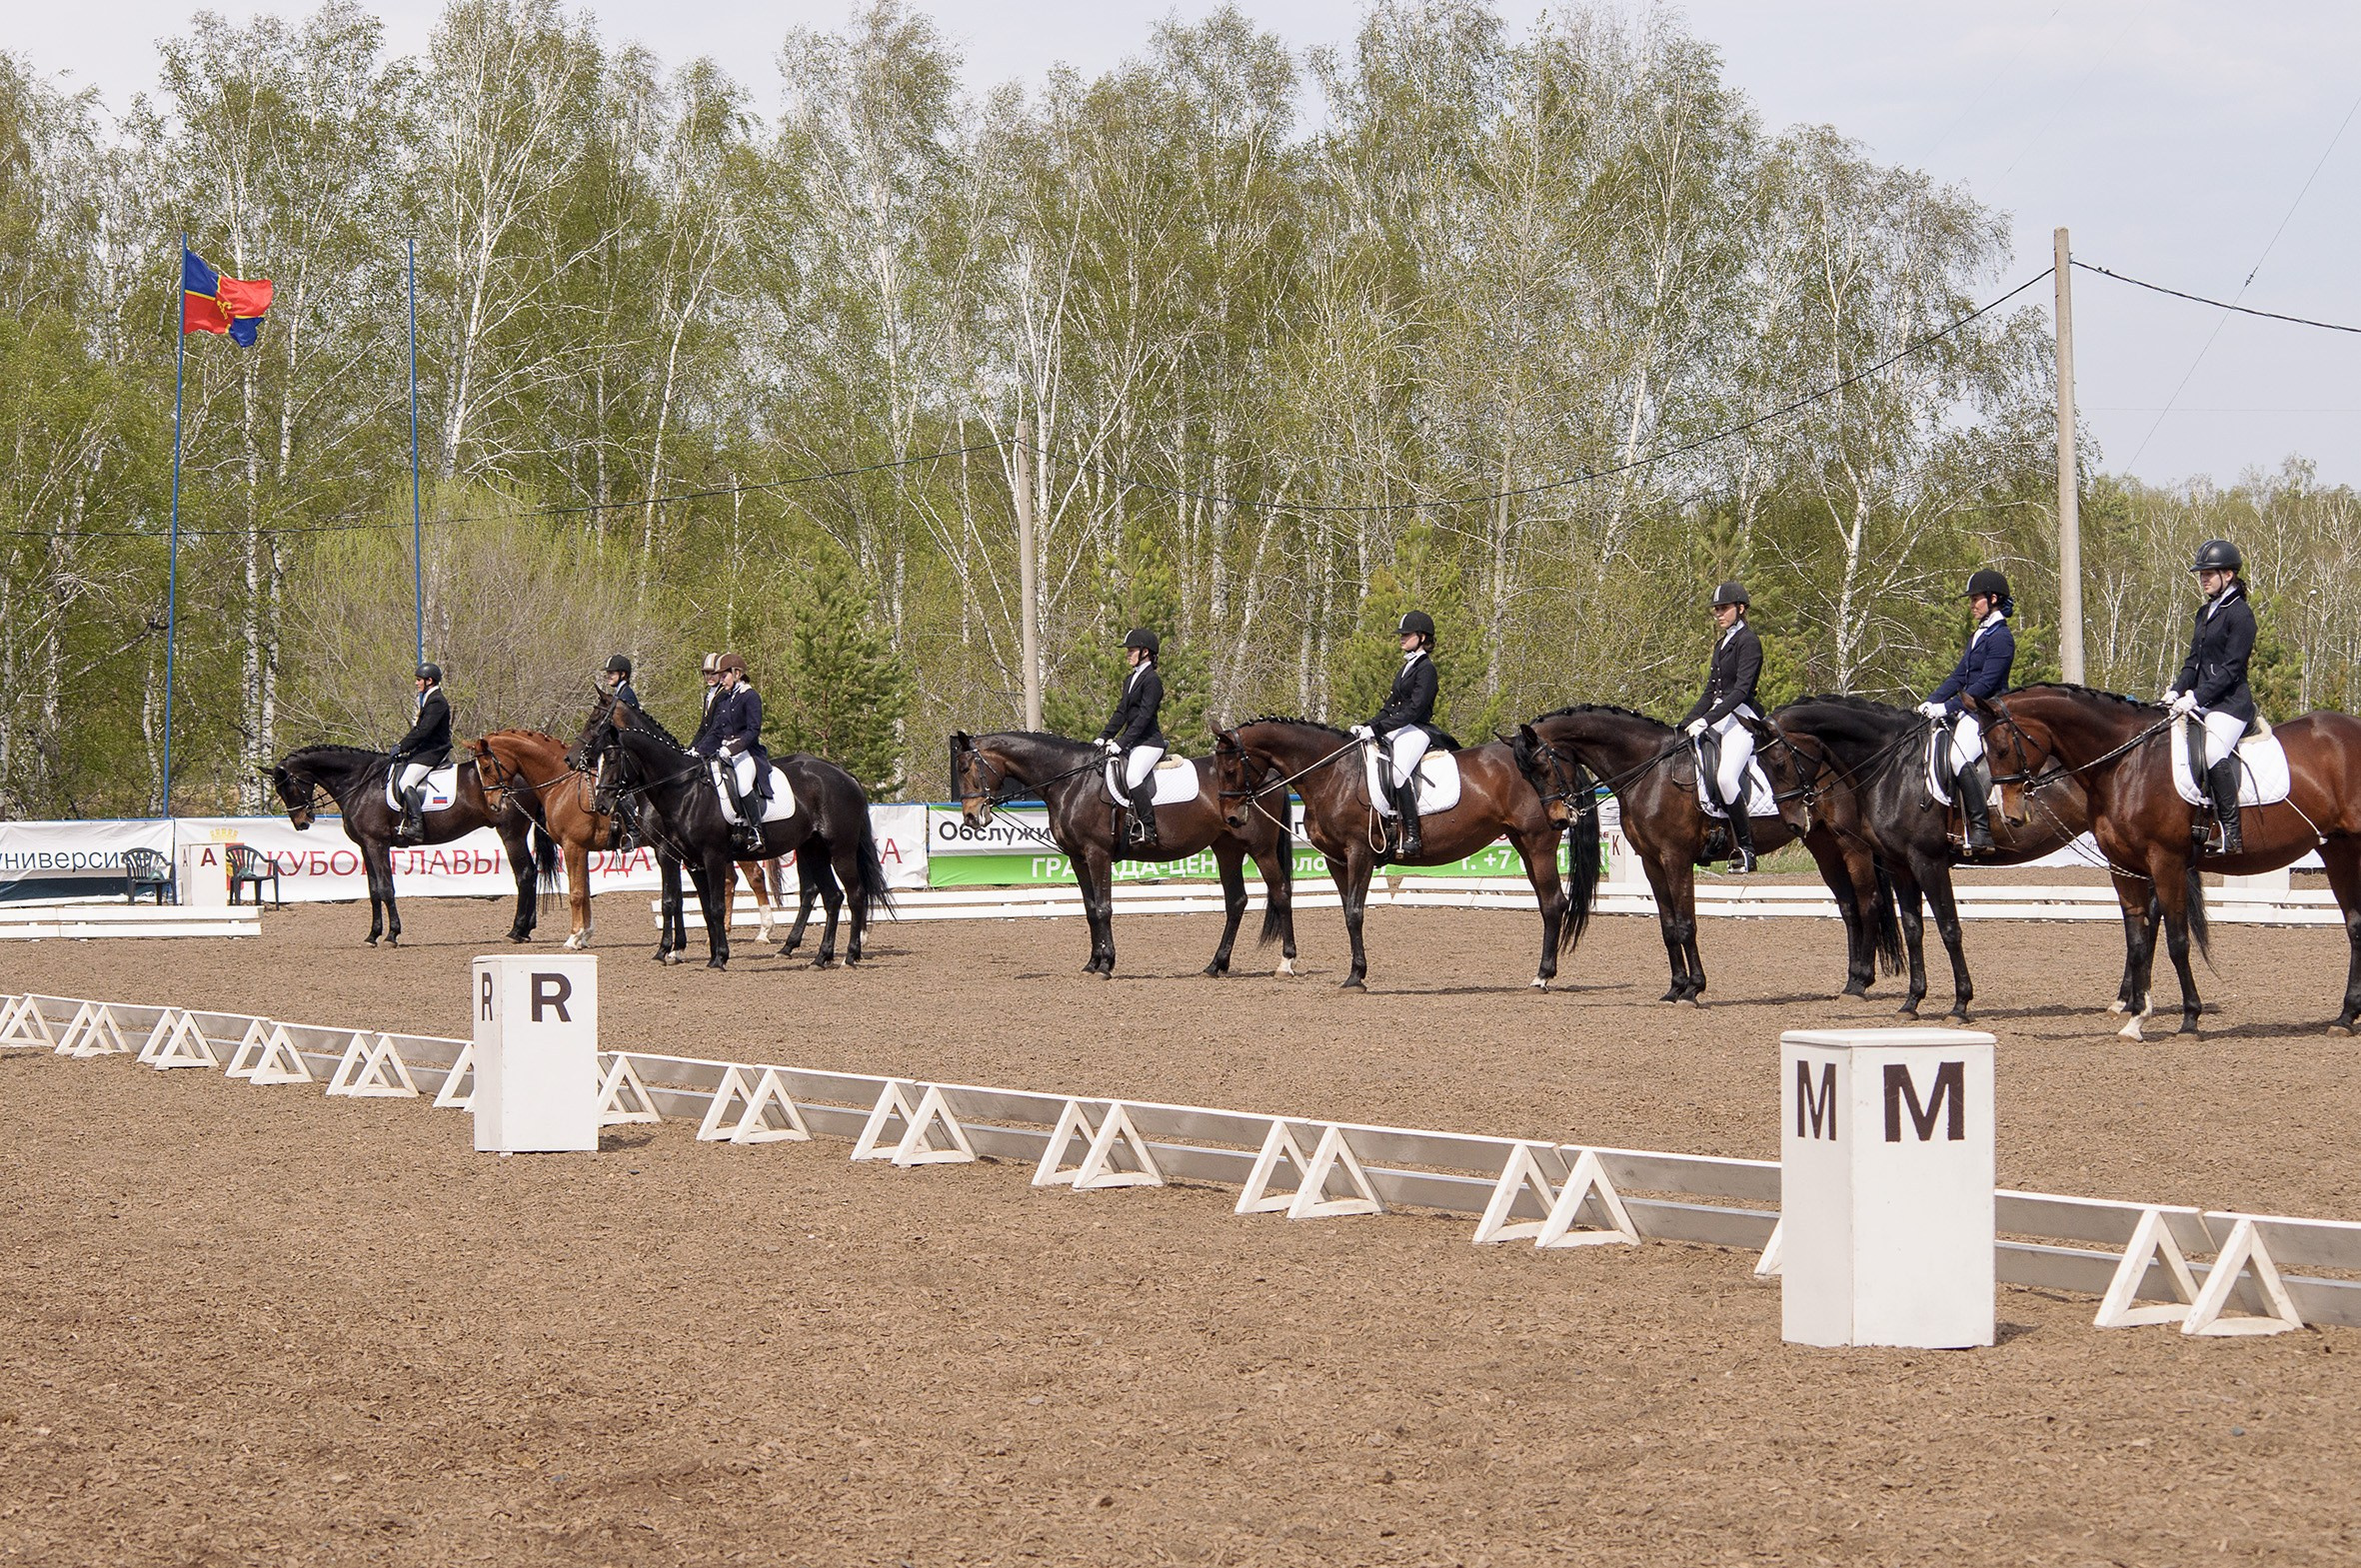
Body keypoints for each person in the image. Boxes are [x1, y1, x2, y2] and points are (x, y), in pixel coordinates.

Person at [1916, 569, 2018, 855]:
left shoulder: (2001, 638)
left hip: (1988, 712)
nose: (1972, 604)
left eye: (1976, 599)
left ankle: (1980, 829)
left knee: (1958, 756)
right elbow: (1960, 676)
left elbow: (1985, 684)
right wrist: (1931, 701)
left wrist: (1947, 707)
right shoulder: (1980, 634)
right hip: (1969, 709)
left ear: (1993, 598)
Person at [2165, 539, 2257, 854]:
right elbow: (2194, 662)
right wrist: (2176, 689)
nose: (2203, 578)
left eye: (2209, 573)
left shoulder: (2240, 614)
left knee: (2214, 752)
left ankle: (2231, 833)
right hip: (2202, 702)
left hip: (2230, 704)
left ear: (2228, 575)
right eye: (2201, 573)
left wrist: (2197, 696)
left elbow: (2231, 669)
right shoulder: (2204, 612)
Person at [1679, 582, 1765, 873]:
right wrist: (1686, 723)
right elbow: (1709, 693)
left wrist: (1707, 720)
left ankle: (1746, 848)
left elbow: (1740, 691)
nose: (1718, 613)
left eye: (1723, 608)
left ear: (1740, 609)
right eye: (1716, 609)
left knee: (1726, 777)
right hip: (1718, 716)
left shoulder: (1749, 641)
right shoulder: (1722, 644)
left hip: (1740, 718)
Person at [1353, 610, 1441, 857]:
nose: (1402, 639)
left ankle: (1412, 835)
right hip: (1400, 728)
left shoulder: (1426, 669)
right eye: (1401, 635)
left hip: (1418, 729)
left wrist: (1380, 728)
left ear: (1422, 637)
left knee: (1399, 772)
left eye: (1407, 634)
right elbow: (1390, 707)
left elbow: (1414, 709)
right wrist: (1367, 725)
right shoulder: (1406, 667)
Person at [1098, 628, 1168, 851]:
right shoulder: (1130, 679)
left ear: (1145, 652)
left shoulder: (1152, 681)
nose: (1127, 654)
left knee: (1133, 776)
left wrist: (1122, 742)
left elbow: (1145, 717)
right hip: (1134, 743)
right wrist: (1104, 736)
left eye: (1131, 650)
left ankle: (1148, 827)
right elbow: (1121, 713)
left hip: (1149, 743)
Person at [694, 652, 770, 855]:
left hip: (746, 752)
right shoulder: (727, 698)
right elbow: (716, 730)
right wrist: (696, 750)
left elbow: (753, 731)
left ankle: (756, 831)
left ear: (736, 673)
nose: (721, 679)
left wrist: (732, 748)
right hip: (724, 752)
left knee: (744, 785)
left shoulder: (750, 696)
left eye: (724, 675)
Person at [391, 663, 452, 844]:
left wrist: (402, 746)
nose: (417, 683)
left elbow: (423, 731)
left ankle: (417, 826)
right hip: (425, 749)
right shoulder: (428, 698)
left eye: (419, 680)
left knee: (405, 781)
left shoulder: (437, 701)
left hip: (433, 751)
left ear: (429, 680)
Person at [688, 652, 723, 750]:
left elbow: (716, 728)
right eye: (707, 673)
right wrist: (690, 749)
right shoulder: (708, 696)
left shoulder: (724, 695)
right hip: (708, 743)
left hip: (721, 745)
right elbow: (703, 728)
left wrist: (699, 748)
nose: (709, 676)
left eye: (713, 673)